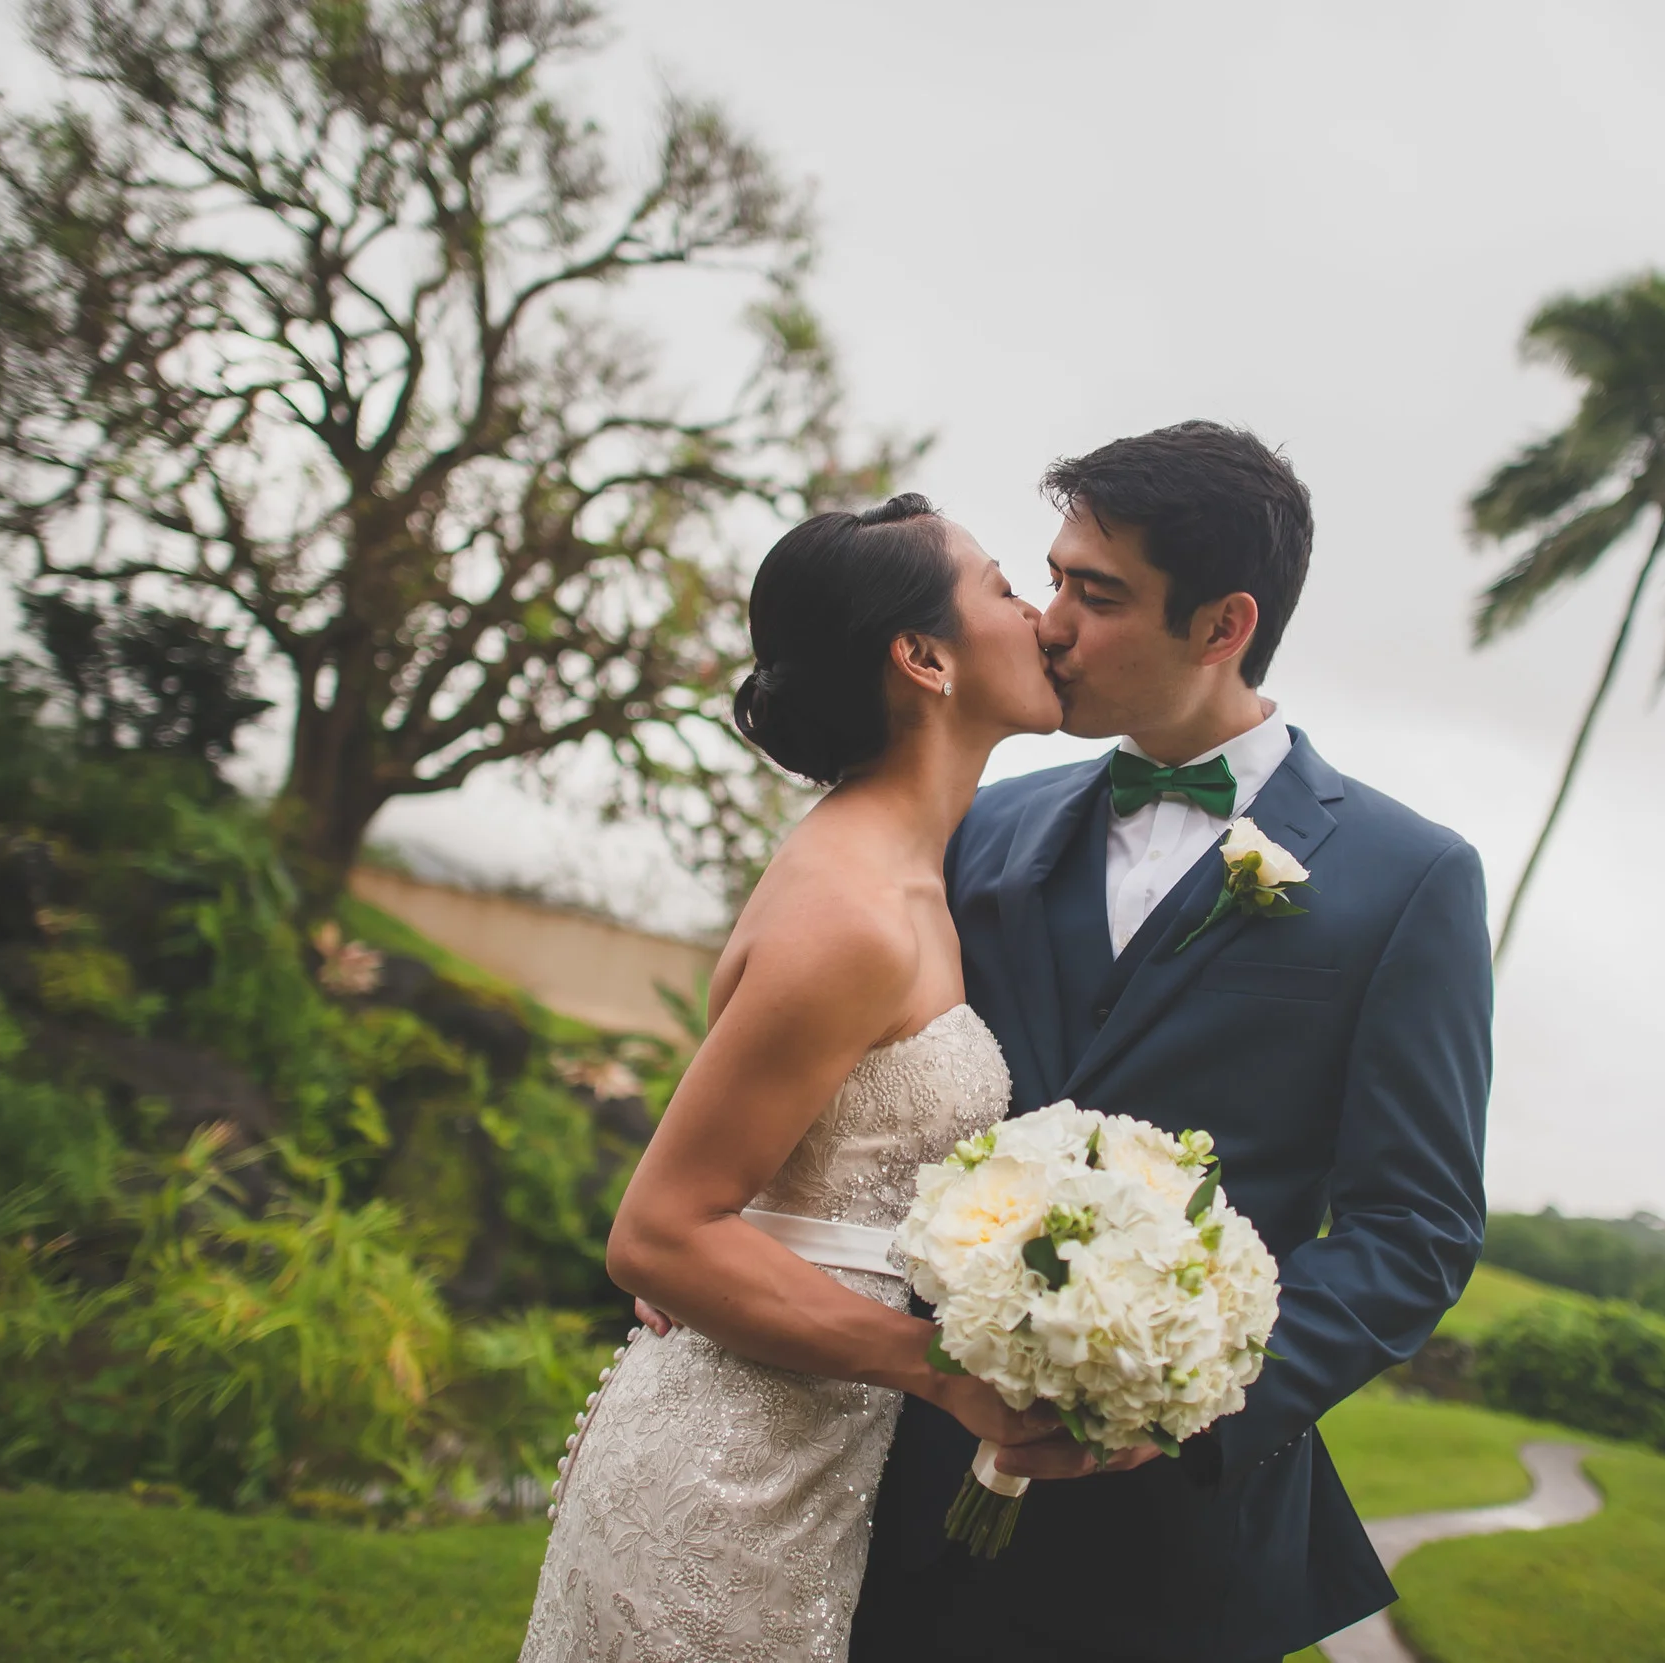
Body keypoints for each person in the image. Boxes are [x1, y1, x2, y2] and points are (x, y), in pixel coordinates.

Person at [847, 422, 1495, 1663]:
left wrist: (1181, 1405)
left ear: (1223, 625)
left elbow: (1411, 1228)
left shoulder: (1408, 882)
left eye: (1097, 596)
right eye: (1050, 580)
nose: (1048, 625)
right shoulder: (984, 824)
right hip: (900, 1481)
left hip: (1173, 1559)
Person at [517, 494, 1066, 1663]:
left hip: (805, 1449)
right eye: (1003, 588)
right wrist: (946, 1372)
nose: (1038, 614)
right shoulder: (855, 911)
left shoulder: (914, 871)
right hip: (728, 1476)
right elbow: (657, 1237)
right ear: (923, 657)